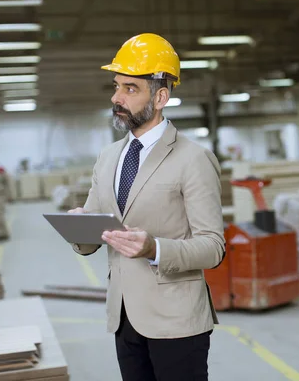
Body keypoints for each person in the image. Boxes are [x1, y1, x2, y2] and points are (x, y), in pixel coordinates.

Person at [68, 33, 225, 381]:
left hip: (177, 321)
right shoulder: (108, 158)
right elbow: (95, 234)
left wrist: (155, 248)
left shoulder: (194, 159)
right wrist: (79, 227)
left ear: (161, 97)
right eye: (116, 86)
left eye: (130, 89)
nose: (116, 98)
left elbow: (213, 247)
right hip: (124, 318)